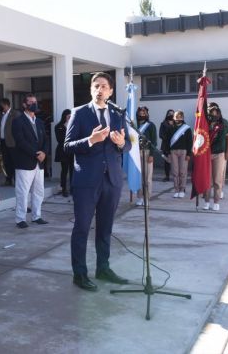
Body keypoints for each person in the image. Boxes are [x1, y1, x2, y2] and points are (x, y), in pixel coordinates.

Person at [64, 72, 131, 292]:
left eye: (103, 86)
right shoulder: (79, 113)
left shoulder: (118, 113)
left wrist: (122, 144)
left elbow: (128, 146)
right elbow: (67, 146)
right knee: (82, 228)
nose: (99, 89)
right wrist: (91, 140)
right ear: (91, 90)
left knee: (105, 228)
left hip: (111, 179)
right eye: (95, 86)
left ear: (111, 91)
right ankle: (79, 274)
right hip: (86, 180)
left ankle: (103, 268)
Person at [12, 93, 49, 228]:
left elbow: (46, 140)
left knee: (39, 191)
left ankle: (36, 216)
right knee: (23, 192)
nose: (34, 104)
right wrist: (35, 153)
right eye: (30, 102)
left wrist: (44, 152)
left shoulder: (39, 122)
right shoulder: (18, 121)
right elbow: (20, 141)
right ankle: (20, 219)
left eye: (35, 101)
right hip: (25, 162)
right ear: (24, 105)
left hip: (39, 162)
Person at [202, 104, 228, 211]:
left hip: (219, 154)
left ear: (218, 112)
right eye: (210, 112)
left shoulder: (224, 123)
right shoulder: (204, 122)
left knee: (217, 179)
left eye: (215, 112)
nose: (213, 114)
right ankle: (206, 201)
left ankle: (216, 201)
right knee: (207, 179)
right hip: (206, 154)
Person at [163, 110, 192, 198]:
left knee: (182, 172)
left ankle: (182, 189)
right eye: (176, 117)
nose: (177, 118)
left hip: (184, 152)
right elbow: (167, 141)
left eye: (179, 116)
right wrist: (168, 152)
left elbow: (189, 141)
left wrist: (189, 154)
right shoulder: (170, 128)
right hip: (173, 152)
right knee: (175, 172)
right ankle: (176, 189)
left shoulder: (187, 128)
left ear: (182, 118)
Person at [135, 106, 157, 206]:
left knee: (147, 177)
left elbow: (154, 141)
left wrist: (151, 154)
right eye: (140, 112)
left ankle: (147, 197)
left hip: (147, 152)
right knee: (139, 177)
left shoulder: (151, 125)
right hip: (136, 152)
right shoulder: (134, 125)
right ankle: (139, 197)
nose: (142, 114)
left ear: (147, 114)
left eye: (144, 112)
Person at [0, 98, 19, 186]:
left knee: (14, 161)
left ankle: (16, 180)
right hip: (3, 142)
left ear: (6, 105)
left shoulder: (15, 114)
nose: (1, 107)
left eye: (2, 105)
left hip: (12, 142)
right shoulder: (2, 114)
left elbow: (18, 129)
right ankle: (8, 179)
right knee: (6, 161)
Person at [54, 109, 74, 197]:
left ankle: (73, 188)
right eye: (68, 115)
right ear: (64, 116)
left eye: (71, 116)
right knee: (64, 170)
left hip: (72, 151)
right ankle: (64, 188)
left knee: (73, 170)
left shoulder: (74, 125)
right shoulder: (58, 126)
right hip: (63, 151)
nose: (69, 117)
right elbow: (59, 139)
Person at [159, 109, 174, 182]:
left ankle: (175, 176)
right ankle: (167, 176)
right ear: (167, 114)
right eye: (169, 113)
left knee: (175, 161)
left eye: (172, 113)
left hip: (175, 145)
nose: (171, 115)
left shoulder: (176, 123)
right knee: (167, 161)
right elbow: (161, 134)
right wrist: (168, 138)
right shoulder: (163, 123)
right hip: (166, 145)